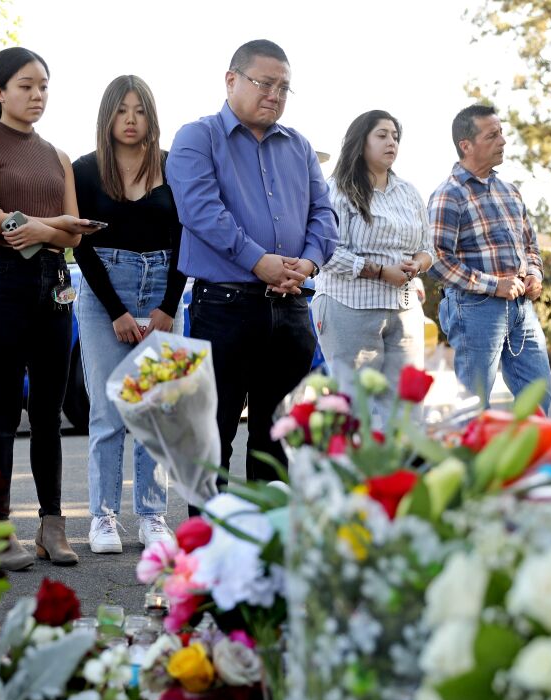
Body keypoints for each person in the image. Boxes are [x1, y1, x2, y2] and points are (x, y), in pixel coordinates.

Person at [167, 39, 337, 484]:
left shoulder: (299, 147)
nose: (275, 95)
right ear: (231, 79)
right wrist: (257, 260)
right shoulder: (196, 137)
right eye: (265, 83)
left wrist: (310, 263)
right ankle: (206, 550)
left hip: (293, 308)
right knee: (212, 439)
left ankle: (268, 547)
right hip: (225, 309)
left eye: (284, 87)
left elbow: (325, 214)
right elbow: (200, 211)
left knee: (277, 440)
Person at [0, 47, 97, 567]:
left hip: (57, 281)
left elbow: (77, 233)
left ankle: (52, 525)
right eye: (25, 85)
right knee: (1, 411)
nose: (37, 94)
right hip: (1, 280)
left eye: (43, 85)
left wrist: (34, 227)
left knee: (48, 410)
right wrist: (49, 228)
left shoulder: (58, 155)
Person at [72, 76, 186, 554]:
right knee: (108, 410)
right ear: (108, 116)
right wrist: (117, 310)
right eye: (122, 110)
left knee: (155, 410)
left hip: (163, 288)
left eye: (140, 110)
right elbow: (81, 244)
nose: (131, 120)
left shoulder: (173, 167)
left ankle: (153, 516)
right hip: (105, 294)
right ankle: (102, 516)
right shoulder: (83, 170)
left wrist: (168, 306)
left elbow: (186, 238)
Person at [427, 104, 551, 413]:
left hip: (522, 309)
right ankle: (468, 461)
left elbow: (530, 244)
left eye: (501, 133)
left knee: (539, 397)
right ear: (466, 145)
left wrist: (534, 273)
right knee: (473, 406)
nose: (503, 141)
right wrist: (493, 284)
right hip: (475, 310)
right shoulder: (449, 194)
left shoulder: (510, 191)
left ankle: (533, 461)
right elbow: (436, 259)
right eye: (492, 135)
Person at [314, 110, 432, 419]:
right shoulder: (336, 190)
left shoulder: (408, 192)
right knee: (358, 411)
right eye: (382, 135)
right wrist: (380, 271)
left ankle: (399, 468)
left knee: (406, 410)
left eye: (395, 136)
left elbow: (428, 248)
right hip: (349, 309)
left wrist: (417, 264)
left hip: (405, 312)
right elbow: (327, 253)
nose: (391, 142)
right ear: (360, 142)